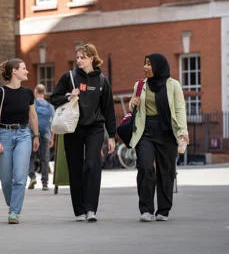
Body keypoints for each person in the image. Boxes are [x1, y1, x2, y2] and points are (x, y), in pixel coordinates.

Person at [51, 43, 116, 222]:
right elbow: (53, 98)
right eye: (77, 57)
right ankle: (79, 210)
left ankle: (91, 209)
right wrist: (68, 96)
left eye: (82, 57)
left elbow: (109, 110)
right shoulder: (69, 77)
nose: (78, 60)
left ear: (91, 58)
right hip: (73, 128)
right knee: (75, 168)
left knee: (93, 165)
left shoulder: (102, 81)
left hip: (95, 128)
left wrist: (111, 136)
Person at [128, 53, 189, 222]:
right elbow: (133, 107)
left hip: (166, 131)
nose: (145, 67)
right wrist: (132, 103)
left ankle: (163, 209)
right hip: (145, 131)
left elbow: (179, 109)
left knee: (166, 171)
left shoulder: (173, 85)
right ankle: (146, 209)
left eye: (149, 64)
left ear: (158, 66)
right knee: (145, 167)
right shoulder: (140, 85)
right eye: (145, 63)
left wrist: (182, 132)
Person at [0, 58, 40, 224]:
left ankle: (14, 211)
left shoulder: (27, 93)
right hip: (4, 134)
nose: (27, 71)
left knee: (19, 177)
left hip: (23, 135)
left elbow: (33, 116)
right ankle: (13, 203)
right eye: (24, 68)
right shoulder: (1, 92)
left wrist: (36, 135)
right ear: (14, 71)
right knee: (6, 179)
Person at [28, 84, 55, 191]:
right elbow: (53, 124)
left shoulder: (32, 105)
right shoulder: (50, 107)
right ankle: (45, 184)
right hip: (46, 135)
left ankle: (32, 177)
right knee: (45, 159)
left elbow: (29, 119)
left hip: (32, 135)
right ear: (44, 93)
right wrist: (52, 138)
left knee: (30, 158)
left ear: (35, 92)